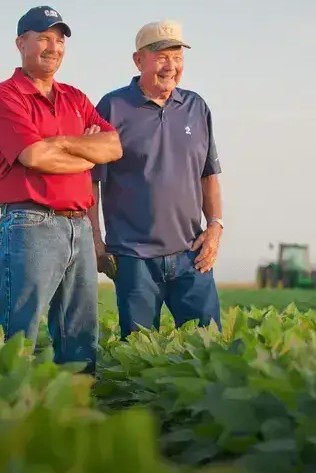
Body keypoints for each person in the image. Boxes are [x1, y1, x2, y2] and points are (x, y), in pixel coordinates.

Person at [0, 5, 122, 373]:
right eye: (43, 38)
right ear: (20, 43)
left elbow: (114, 146)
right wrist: (85, 151)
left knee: (80, 335)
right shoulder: (5, 96)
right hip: (31, 224)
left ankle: (74, 415)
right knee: (18, 334)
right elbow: (34, 155)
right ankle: (9, 415)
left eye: (59, 40)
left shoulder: (75, 97)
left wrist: (61, 145)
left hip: (80, 226)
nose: (53, 47)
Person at [88, 19, 224, 339]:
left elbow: (209, 174)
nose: (171, 66)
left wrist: (215, 225)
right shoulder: (112, 107)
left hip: (193, 255)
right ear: (139, 60)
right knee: (137, 357)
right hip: (134, 260)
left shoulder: (196, 107)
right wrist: (95, 240)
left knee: (210, 351)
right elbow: (91, 180)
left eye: (177, 57)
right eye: (161, 56)